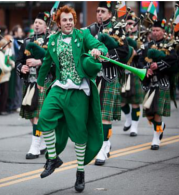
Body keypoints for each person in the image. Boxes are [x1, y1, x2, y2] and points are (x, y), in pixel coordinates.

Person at [37, 5, 107, 192]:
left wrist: (98, 52)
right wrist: (40, 80)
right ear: (58, 23)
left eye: (70, 19)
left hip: (78, 89)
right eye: (64, 20)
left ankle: (80, 172)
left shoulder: (82, 36)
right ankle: (53, 158)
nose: (68, 23)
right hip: (60, 87)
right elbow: (46, 62)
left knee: (79, 134)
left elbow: (101, 46)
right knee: (44, 118)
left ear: (74, 21)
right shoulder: (53, 40)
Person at [85, 1, 129, 166]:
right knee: (93, 116)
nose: (99, 14)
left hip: (109, 77)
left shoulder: (117, 29)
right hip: (93, 78)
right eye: (97, 11)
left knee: (104, 116)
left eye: (102, 11)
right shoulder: (91, 29)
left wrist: (107, 55)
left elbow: (125, 51)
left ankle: (103, 148)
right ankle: (104, 143)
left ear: (110, 14)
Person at [138, 19, 178, 150]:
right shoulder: (146, 46)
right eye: (153, 30)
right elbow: (140, 63)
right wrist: (147, 68)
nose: (154, 33)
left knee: (157, 111)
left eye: (157, 30)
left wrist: (158, 65)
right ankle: (160, 126)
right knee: (148, 112)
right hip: (150, 83)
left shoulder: (169, 46)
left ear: (162, 31)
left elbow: (173, 61)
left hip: (162, 83)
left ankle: (156, 137)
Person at [16, 13, 51, 160]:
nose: (36, 25)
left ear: (46, 26)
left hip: (44, 81)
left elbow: (54, 61)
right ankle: (41, 142)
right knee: (31, 114)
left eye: (40, 23)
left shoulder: (51, 40)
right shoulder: (27, 41)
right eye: (35, 22)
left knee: (37, 115)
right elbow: (18, 60)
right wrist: (21, 68)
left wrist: (39, 62)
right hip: (29, 81)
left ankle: (35, 146)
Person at [121, 12, 144, 136]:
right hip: (122, 73)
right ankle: (129, 118)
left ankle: (134, 126)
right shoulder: (121, 37)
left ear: (136, 26)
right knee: (121, 101)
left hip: (134, 72)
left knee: (135, 102)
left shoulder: (141, 39)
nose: (130, 26)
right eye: (128, 24)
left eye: (132, 24)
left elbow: (142, 55)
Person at [0, 38, 14, 115]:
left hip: (5, 77)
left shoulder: (3, 54)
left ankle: (3, 109)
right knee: (3, 94)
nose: (7, 47)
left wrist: (12, 63)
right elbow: (2, 67)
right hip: (2, 78)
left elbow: (9, 62)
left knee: (5, 93)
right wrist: (10, 68)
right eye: (6, 46)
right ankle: (1, 110)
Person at [7, 25, 24, 113]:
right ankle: (17, 104)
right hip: (17, 66)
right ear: (16, 32)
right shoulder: (13, 41)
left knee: (19, 86)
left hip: (20, 65)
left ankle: (18, 103)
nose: (21, 33)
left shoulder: (19, 40)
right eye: (20, 31)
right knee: (17, 86)